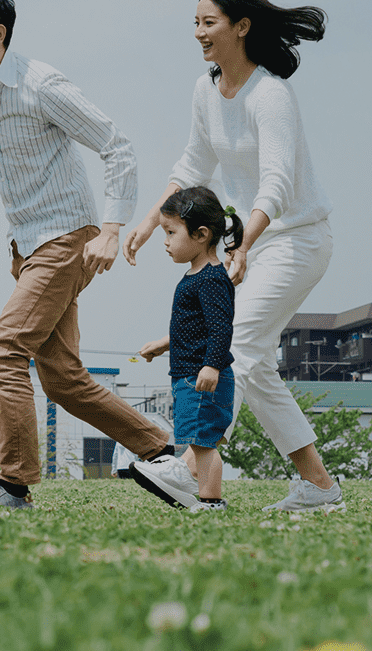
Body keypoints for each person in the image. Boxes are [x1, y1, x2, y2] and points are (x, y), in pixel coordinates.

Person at [0, 0, 184, 511]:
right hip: (26, 246)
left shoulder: (40, 84)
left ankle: (15, 487)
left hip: (68, 237)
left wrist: (112, 228)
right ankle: (162, 451)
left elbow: (117, 146)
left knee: (2, 353)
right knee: (64, 380)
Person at [125, 0, 343, 513]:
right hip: (248, 243)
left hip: (294, 241)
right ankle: (318, 486)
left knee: (234, 349)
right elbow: (192, 164)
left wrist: (242, 244)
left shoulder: (270, 95)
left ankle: (187, 466)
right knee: (256, 366)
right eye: (196, 23)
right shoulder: (207, 90)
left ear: (241, 27)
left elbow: (277, 184)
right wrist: (152, 221)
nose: (199, 33)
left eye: (209, 23)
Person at [133, 186, 243, 512]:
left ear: (200, 234)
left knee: (202, 444)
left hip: (202, 376)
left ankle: (205, 496)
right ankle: (200, 493)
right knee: (201, 442)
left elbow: (221, 328)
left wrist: (211, 365)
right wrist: (164, 344)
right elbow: (197, 328)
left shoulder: (210, 279)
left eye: (170, 232)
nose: (164, 241)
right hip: (190, 375)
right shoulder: (195, 276)